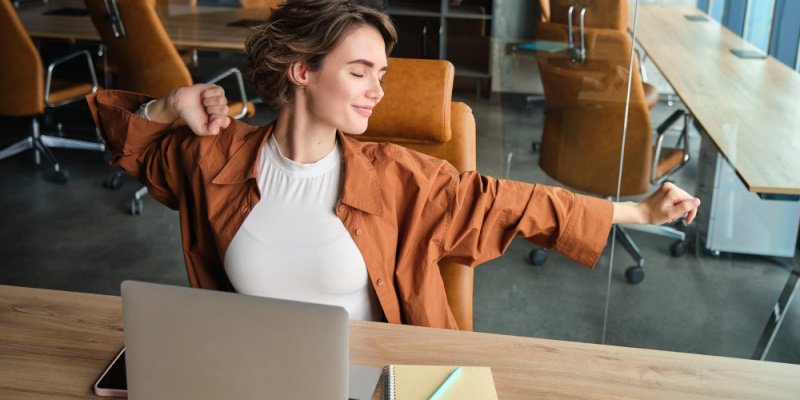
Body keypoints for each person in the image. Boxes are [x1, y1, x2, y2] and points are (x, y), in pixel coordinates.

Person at [86, 0, 700, 329]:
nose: (377, 91)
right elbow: (126, 139)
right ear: (303, 71)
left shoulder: (399, 175)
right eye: (359, 73)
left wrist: (636, 210)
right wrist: (168, 104)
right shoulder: (212, 158)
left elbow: (510, 203)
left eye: (380, 75)